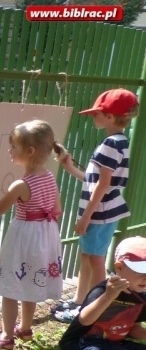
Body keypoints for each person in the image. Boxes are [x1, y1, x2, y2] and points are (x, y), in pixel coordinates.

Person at [52, 89, 139, 322]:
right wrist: (70, 167)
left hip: (99, 213)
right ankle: (80, 301)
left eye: (97, 113)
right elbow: (96, 181)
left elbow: (103, 184)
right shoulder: (120, 141)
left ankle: (93, 308)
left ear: (110, 116)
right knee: (87, 256)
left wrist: (86, 216)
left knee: (95, 260)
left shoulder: (111, 144)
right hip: (105, 211)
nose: (93, 117)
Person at [0, 120, 64, 350]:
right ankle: (25, 328)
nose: (9, 151)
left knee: (11, 286)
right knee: (30, 282)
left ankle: (6, 336)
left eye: (13, 147)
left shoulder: (21, 184)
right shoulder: (49, 177)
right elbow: (58, 210)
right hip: (46, 236)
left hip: (24, 237)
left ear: (29, 151)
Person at [54, 236, 146, 350]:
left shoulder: (141, 297)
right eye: (140, 271)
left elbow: (134, 330)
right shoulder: (103, 289)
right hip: (79, 343)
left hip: (111, 344)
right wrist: (109, 296)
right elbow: (85, 320)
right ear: (119, 267)